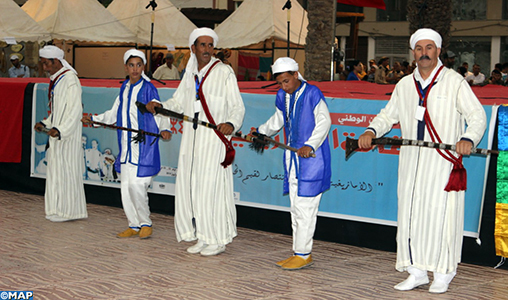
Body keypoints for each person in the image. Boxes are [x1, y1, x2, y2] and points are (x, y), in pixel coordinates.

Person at [357, 28, 486, 294]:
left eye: (429, 48)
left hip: (442, 162)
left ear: (438, 51)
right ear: (413, 52)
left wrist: (468, 139)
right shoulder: (404, 84)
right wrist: (371, 131)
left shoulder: (454, 82)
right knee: (411, 215)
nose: (424, 53)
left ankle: (442, 273)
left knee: (441, 217)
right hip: (410, 163)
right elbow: (387, 115)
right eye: (419, 48)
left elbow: (477, 116)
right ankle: (416, 271)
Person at [146, 28, 245, 256]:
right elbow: (178, 103)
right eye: (203, 45)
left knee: (212, 188)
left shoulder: (224, 72)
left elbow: (237, 106)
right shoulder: (190, 75)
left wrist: (231, 122)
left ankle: (217, 238)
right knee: (194, 187)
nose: (207, 50)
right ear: (193, 48)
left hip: (214, 139)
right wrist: (158, 106)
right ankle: (203, 235)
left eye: (211, 45)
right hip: (192, 139)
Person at [82, 49, 171, 239]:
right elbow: (114, 113)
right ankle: (134, 225)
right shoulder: (124, 88)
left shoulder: (148, 88)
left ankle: (146, 223)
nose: (135, 69)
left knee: (139, 186)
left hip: (144, 145)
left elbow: (158, 108)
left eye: (139, 65)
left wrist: (166, 128)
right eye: (132, 65)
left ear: (143, 67)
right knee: (126, 187)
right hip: (126, 145)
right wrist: (94, 119)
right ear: (126, 67)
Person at [252, 57, 331, 270]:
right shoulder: (282, 96)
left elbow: (325, 122)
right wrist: (261, 132)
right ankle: (299, 252)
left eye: (286, 81)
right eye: (280, 83)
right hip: (293, 160)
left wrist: (310, 145)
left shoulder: (313, 93)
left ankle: (304, 254)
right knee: (296, 209)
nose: (283, 86)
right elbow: (279, 120)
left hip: (312, 159)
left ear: (296, 75)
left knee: (305, 208)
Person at [34, 45, 88, 222]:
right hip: (57, 134)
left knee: (67, 173)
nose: (44, 68)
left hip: (68, 136)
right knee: (56, 173)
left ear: (56, 61)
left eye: (46, 64)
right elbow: (58, 111)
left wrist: (61, 130)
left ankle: (69, 212)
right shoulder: (58, 79)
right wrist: (46, 123)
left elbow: (75, 111)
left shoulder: (70, 79)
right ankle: (56, 209)